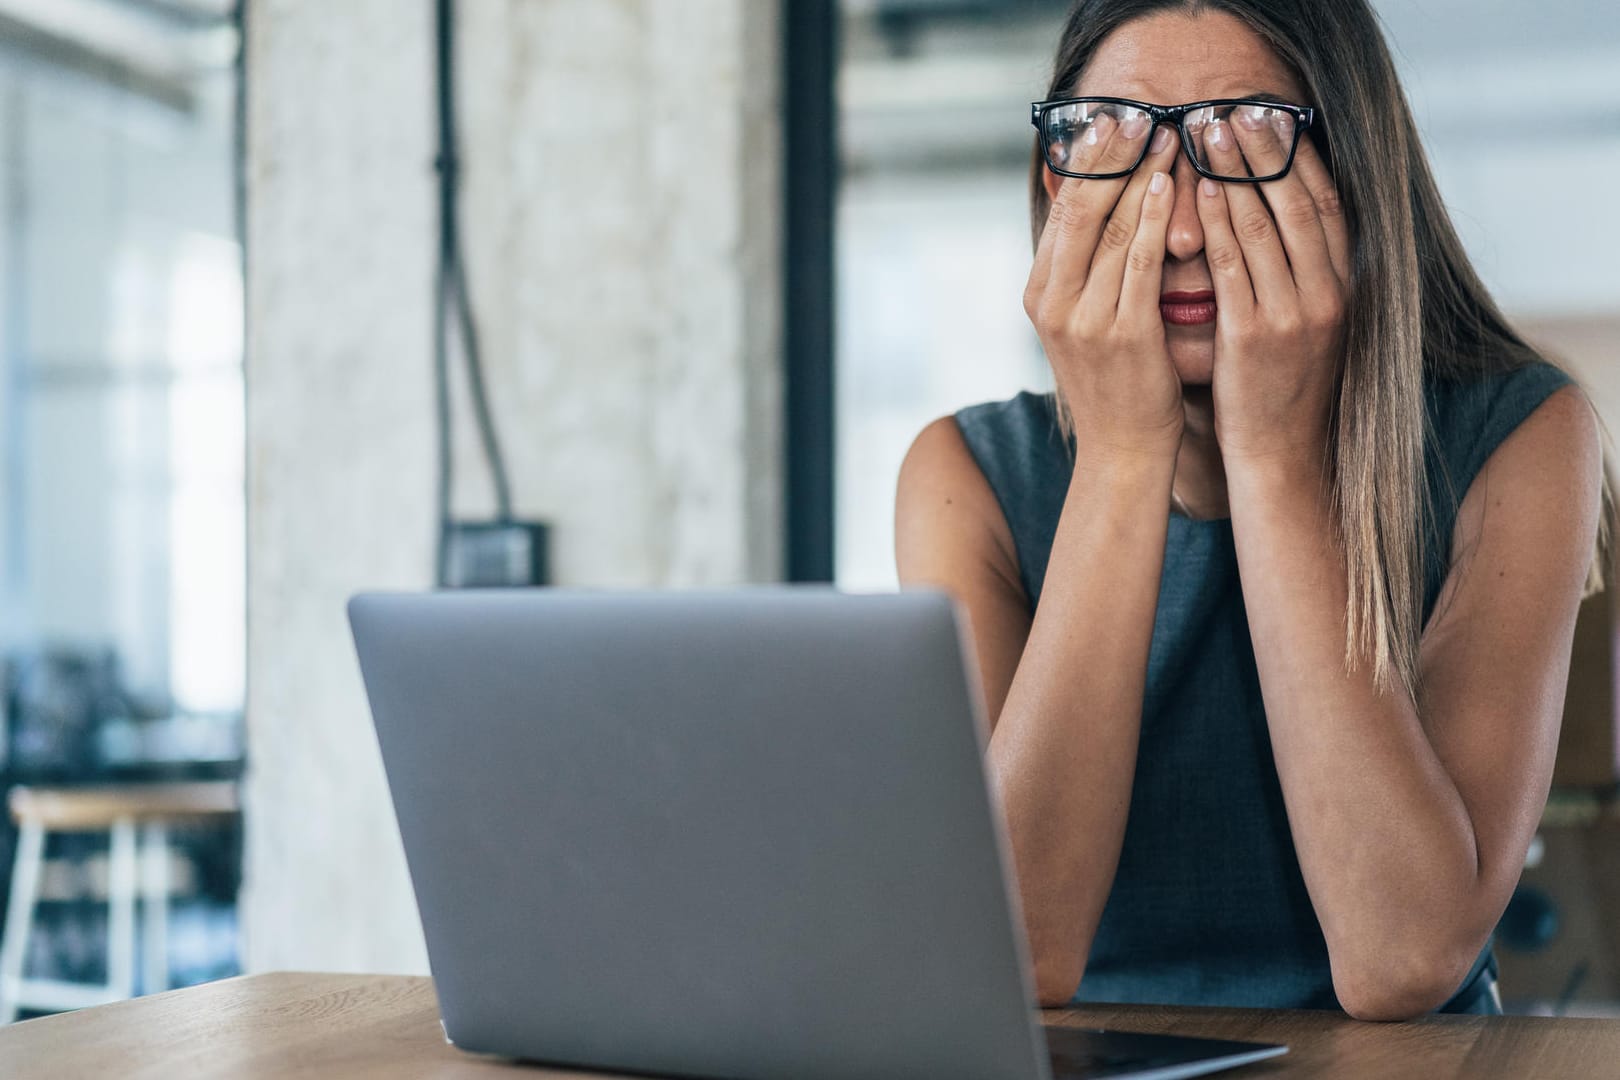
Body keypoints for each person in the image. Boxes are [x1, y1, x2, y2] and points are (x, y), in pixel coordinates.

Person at [894, 0, 1611, 1022]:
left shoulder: (1523, 435)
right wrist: (1125, 452)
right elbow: (1017, 953)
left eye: (1247, 144)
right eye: (1123, 149)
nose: (1182, 229)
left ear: (1352, 179)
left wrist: (1272, 454)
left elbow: (1403, 956)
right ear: (1060, 183)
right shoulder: (964, 476)